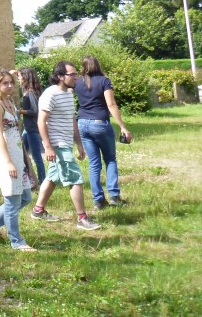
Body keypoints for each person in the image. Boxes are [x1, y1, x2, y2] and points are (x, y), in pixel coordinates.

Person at [29, 61, 101, 230]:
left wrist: (79, 144)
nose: (76, 77)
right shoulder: (50, 94)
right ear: (60, 76)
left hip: (66, 143)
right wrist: (48, 147)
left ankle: (38, 210)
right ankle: (82, 218)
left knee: (53, 177)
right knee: (75, 178)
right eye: (72, 74)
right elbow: (41, 122)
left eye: (76, 74)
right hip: (57, 144)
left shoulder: (69, 93)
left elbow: (72, 120)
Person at [0, 68, 37, 251]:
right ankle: (17, 241)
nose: (10, 86)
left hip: (18, 154)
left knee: (26, 197)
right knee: (12, 201)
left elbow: (18, 133)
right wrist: (8, 162)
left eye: (11, 82)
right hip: (6, 156)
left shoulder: (10, 102)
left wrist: (26, 161)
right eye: (5, 83)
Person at [75, 55, 132, 210]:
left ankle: (98, 200)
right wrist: (123, 126)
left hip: (82, 123)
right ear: (97, 65)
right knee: (110, 159)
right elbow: (111, 104)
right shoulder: (104, 81)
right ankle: (114, 196)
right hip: (100, 123)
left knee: (94, 164)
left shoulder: (77, 82)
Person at [16, 67, 46, 185]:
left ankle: (43, 181)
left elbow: (35, 110)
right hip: (28, 129)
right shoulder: (29, 91)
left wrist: (21, 111)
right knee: (22, 154)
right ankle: (29, 179)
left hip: (32, 128)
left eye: (19, 77)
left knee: (36, 156)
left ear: (25, 77)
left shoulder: (30, 93)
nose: (18, 79)